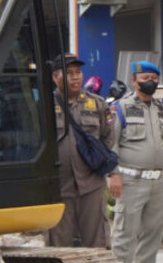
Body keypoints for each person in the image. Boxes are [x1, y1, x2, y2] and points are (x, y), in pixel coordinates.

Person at [108, 61, 163, 263]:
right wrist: (113, 174)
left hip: (158, 182)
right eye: (145, 77)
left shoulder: (162, 110)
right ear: (134, 80)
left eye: (154, 77)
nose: (150, 81)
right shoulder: (121, 108)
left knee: (154, 230)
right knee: (125, 232)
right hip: (130, 180)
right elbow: (111, 143)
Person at [49, 53, 117, 248]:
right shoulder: (45, 106)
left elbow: (107, 136)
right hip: (59, 187)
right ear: (56, 77)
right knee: (59, 246)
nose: (76, 77)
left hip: (91, 185)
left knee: (97, 242)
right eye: (69, 73)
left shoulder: (96, 104)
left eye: (78, 72)